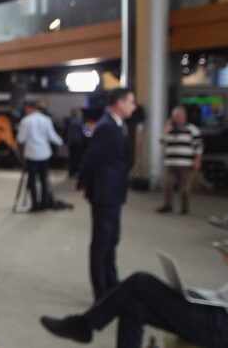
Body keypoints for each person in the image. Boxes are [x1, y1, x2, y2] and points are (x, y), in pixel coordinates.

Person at [40, 251, 228, 348]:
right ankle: (84, 326)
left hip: (227, 328)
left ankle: (84, 325)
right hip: (220, 307)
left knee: (141, 281)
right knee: (133, 308)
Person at [79, 88, 137, 301]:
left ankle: (111, 282)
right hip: (105, 192)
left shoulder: (117, 125)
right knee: (101, 242)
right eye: (131, 102)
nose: (134, 107)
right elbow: (92, 157)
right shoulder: (106, 127)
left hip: (113, 191)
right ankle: (101, 290)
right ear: (119, 103)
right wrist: (83, 181)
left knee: (112, 239)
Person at [16, 102, 63, 211]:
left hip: (31, 154)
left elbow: (21, 139)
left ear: (29, 109)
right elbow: (52, 136)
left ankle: (34, 204)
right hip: (44, 154)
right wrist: (60, 141)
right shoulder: (46, 120)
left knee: (32, 179)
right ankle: (44, 203)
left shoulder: (25, 121)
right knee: (44, 179)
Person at [157, 106, 203, 214]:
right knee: (167, 185)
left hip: (186, 164)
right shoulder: (170, 129)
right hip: (171, 163)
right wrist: (166, 128)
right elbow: (161, 140)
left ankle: (184, 208)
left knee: (184, 188)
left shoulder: (192, 129)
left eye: (179, 116)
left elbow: (199, 146)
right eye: (175, 116)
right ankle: (168, 205)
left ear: (184, 116)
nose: (177, 118)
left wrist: (197, 160)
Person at [66, 107, 85, 178]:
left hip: (71, 141)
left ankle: (71, 172)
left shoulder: (68, 120)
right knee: (78, 157)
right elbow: (84, 131)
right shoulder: (81, 121)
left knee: (71, 157)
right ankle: (77, 172)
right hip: (78, 141)